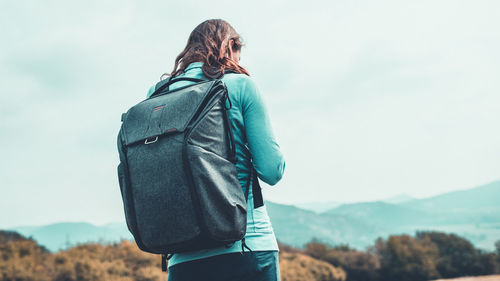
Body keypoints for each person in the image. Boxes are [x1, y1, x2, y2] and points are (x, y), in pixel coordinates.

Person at [146, 19, 285, 281]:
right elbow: (272, 171)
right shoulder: (239, 84)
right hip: (246, 245)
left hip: (182, 254)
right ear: (231, 47)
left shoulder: (156, 94)